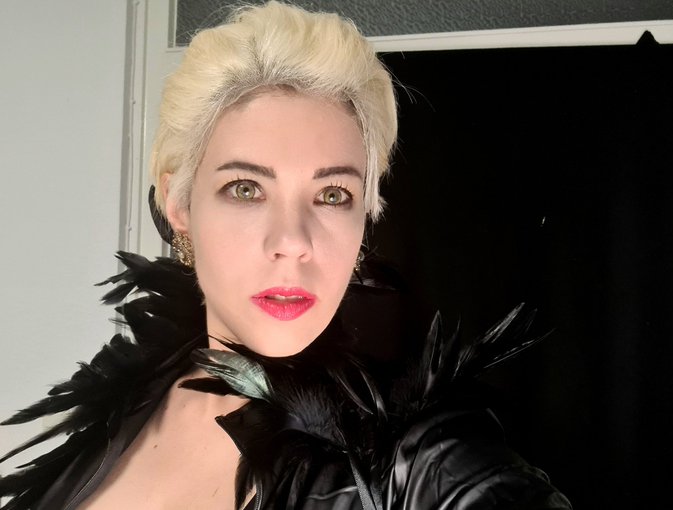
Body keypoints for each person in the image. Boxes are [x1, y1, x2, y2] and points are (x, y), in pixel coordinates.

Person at [0, 1, 572, 508]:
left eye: (332, 195)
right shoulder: (125, 398)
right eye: (246, 188)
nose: (294, 241)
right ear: (179, 205)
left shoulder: (415, 468)